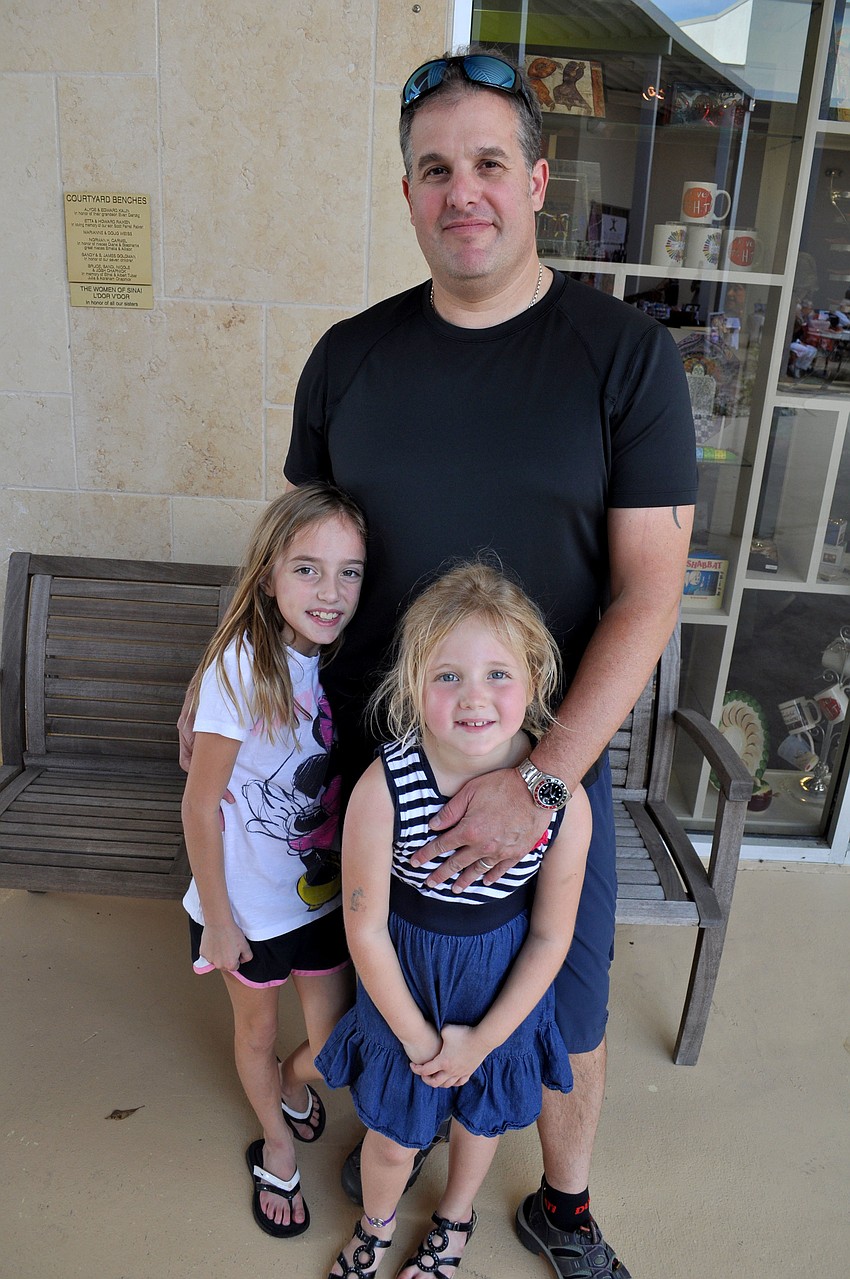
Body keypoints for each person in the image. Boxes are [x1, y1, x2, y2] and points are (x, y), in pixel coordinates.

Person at [179, 46, 696, 1278]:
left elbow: (650, 590)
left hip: (540, 767)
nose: (459, 190)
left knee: (557, 1004)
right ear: (407, 193)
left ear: (533, 179)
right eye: (431, 169)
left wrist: (545, 777)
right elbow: (305, 563)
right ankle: (396, 1156)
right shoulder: (349, 357)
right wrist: (236, 717)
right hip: (367, 763)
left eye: (484, 163)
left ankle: (558, 1203)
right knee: (378, 968)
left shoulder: (624, 357)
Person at [317, 563, 592, 1279]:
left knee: (480, 1121)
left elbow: (551, 933)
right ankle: (375, 1227)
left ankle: (453, 1220)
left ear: (534, 678)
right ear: (413, 683)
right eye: (448, 677)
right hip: (401, 987)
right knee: (388, 1137)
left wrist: (484, 1039)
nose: (475, 698)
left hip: (497, 991)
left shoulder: (562, 802)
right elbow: (365, 927)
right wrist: (414, 1036)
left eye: (499, 674)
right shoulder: (385, 785)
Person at [180, 483, 366, 1238]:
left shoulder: (329, 657)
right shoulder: (239, 667)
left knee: (335, 1040)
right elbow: (199, 806)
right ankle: (278, 1142)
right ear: (268, 575)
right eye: (308, 569)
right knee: (256, 1034)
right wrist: (219, 923)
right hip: (248, 906)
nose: (331, 591)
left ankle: (293, 1084)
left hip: (315, 897)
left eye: (349, 571)